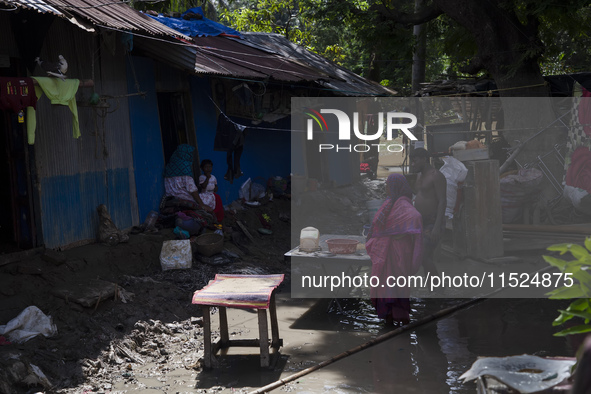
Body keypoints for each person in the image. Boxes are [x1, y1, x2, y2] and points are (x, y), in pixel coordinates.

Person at [366, 173, 423, 326]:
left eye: (388, 185)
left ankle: (400, 320)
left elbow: (415, 217)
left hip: (398, 250)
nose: (386, 187)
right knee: (388, 285)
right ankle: (390, 319)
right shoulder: (391, 202)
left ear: (395, 186)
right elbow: (378, 225)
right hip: (389, 249)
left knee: (396, 284)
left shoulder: (402, 203)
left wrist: (397, 233)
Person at [409, 148, 447, 275]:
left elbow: (443, 201)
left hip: (433, 221)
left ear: (424, 159)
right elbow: (418, 195)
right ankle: (433, 290)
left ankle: (438, 287)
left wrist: (437, 226)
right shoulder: (420, 176)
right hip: (420, 221)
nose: (412, 165)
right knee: (425, 256)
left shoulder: (436, 176)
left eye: (415, 161)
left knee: (423, 256)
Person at [163, 144, 213, 214]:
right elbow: (192, 190)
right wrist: (202, 205)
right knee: (213, 196)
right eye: (190, 154)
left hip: (170, 196)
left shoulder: (169, 167)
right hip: (183, 197)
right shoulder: (185, 168)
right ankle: (218, 219)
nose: (191, 156)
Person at [198, 159, 224, 223]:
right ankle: (207, 219)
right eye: (206, 167)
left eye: (210, 167)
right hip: (204, 195)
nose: (208, 169)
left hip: (212, 194)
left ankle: (218, 219)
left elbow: (216, 185)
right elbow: (203, 186)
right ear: (202, 168)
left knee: (218, 199)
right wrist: (207, 178)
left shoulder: (213, 177)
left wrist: (216, 188)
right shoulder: (201, 177)